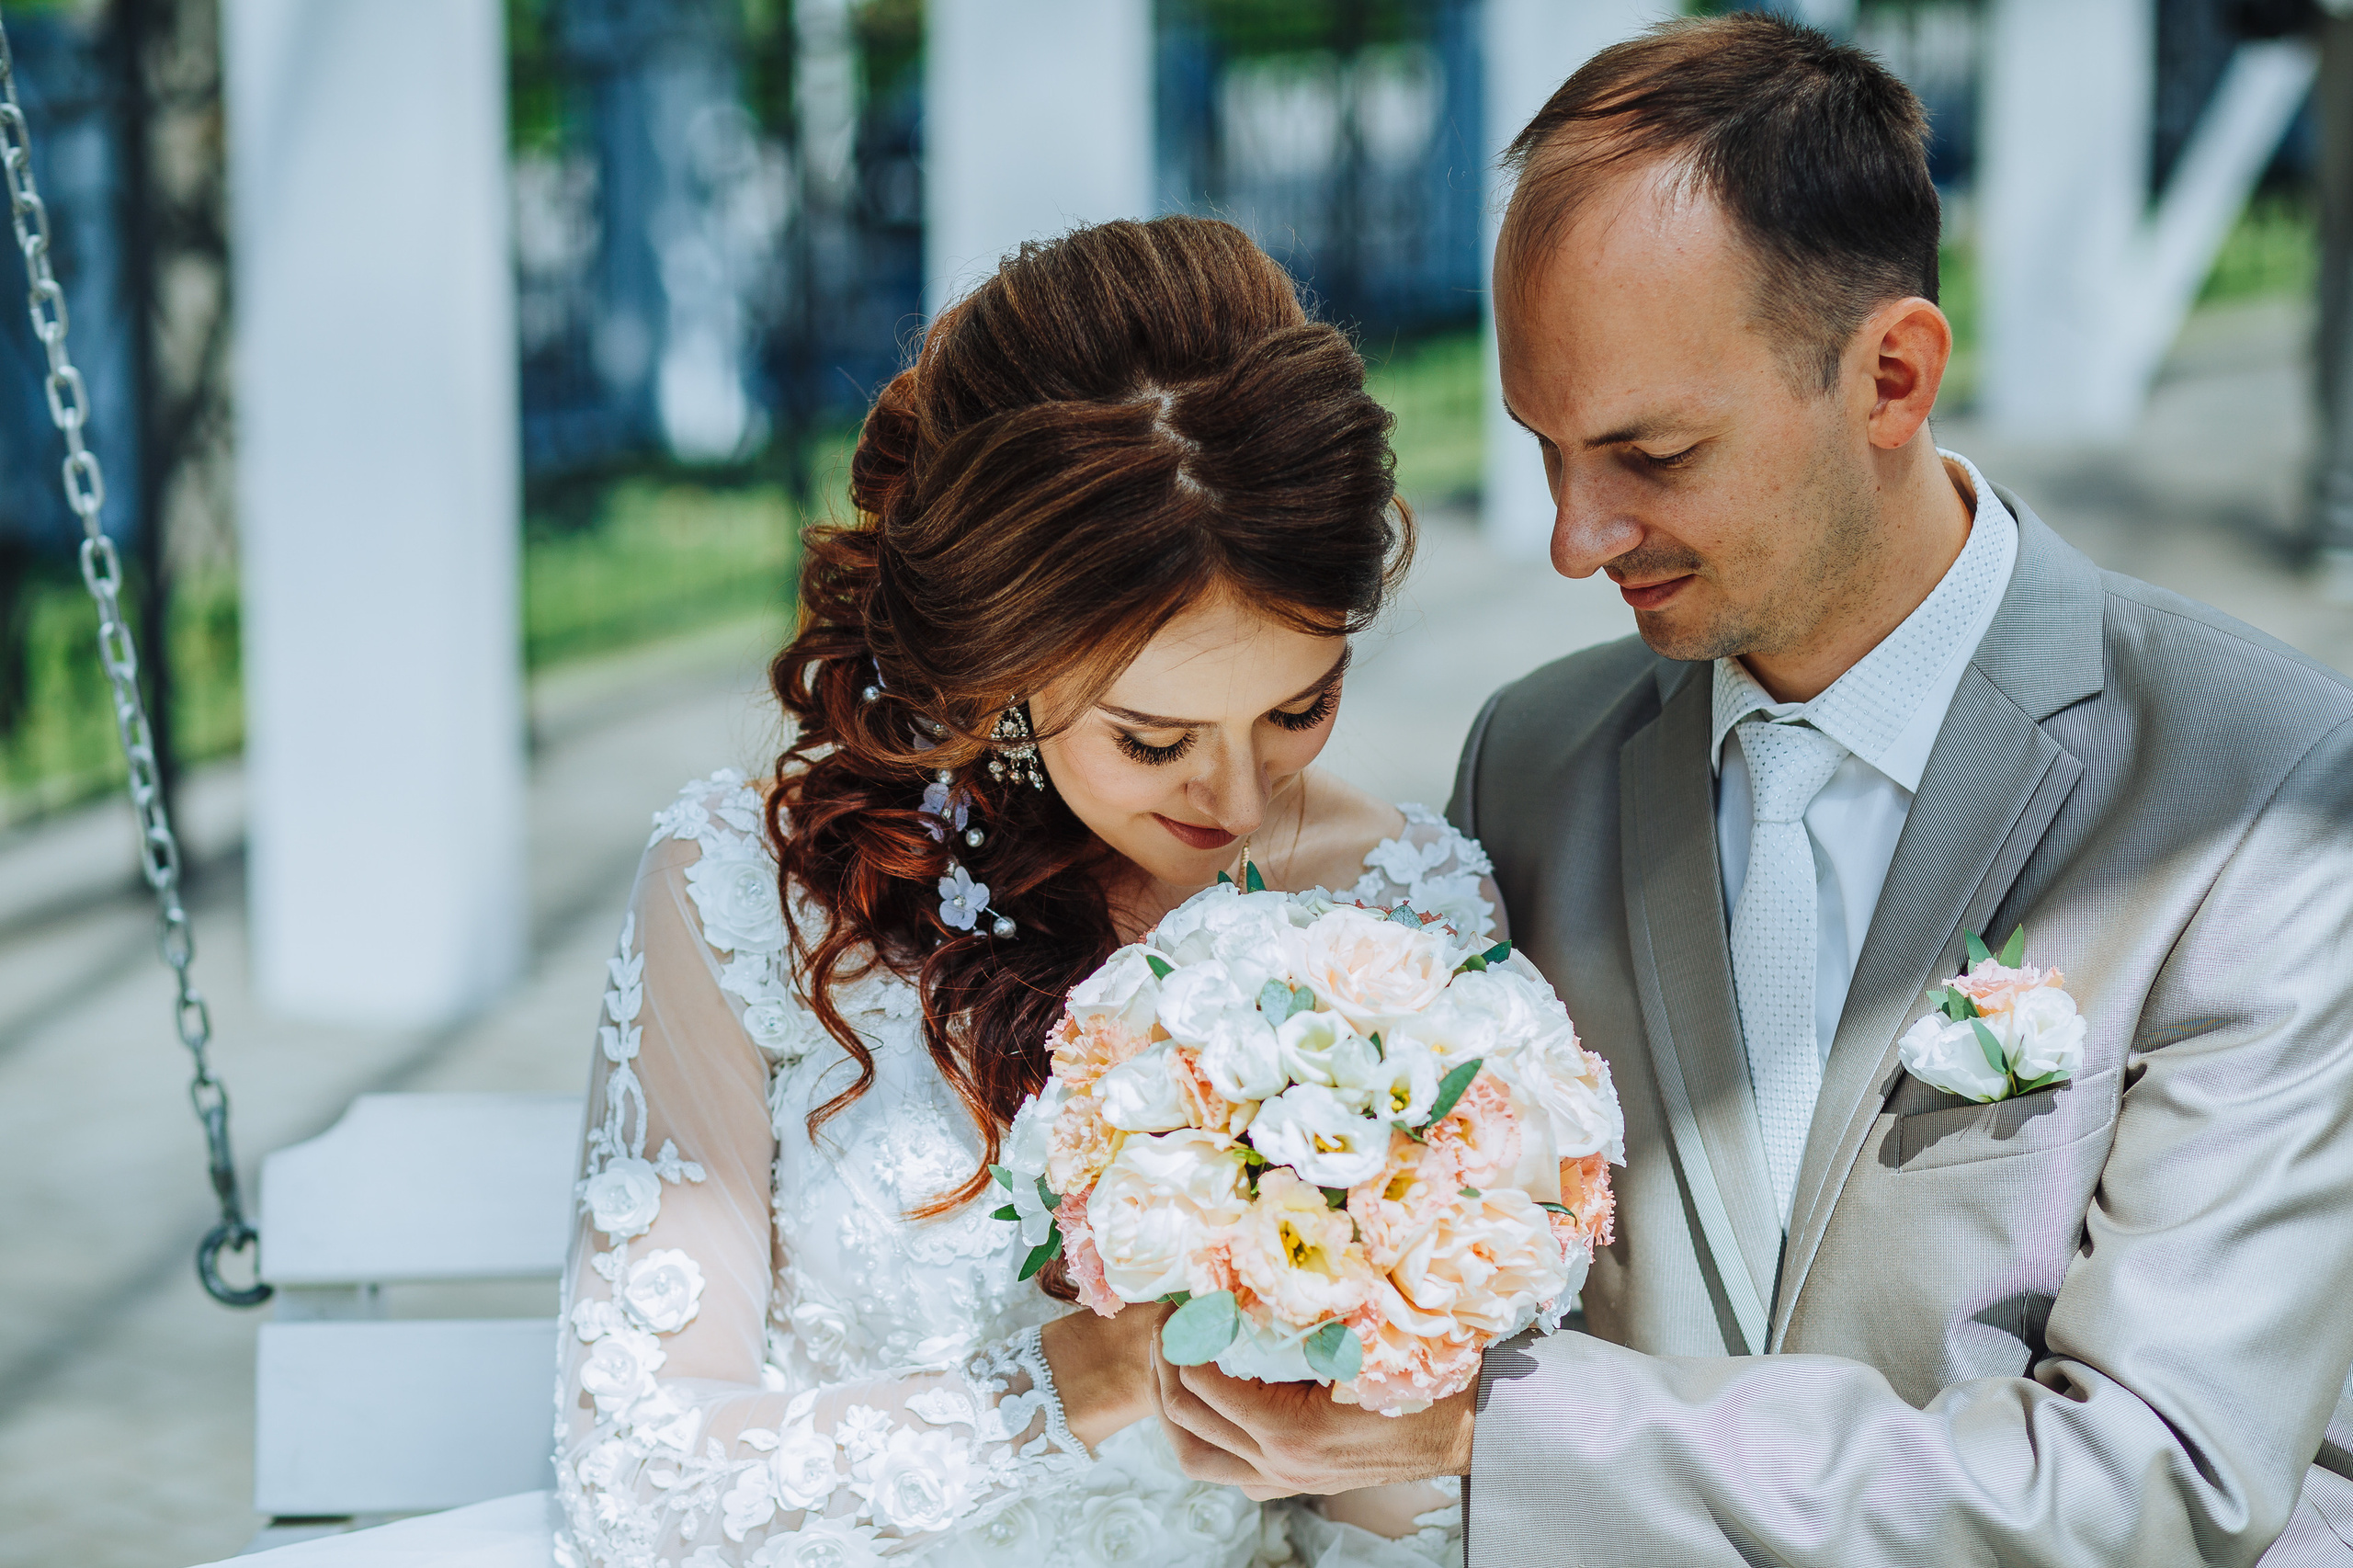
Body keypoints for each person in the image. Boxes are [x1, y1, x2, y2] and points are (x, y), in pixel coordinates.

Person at [1150, 17, 2353, 1566]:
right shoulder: (1533, 762)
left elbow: (2157, 1476)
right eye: (1544, 449)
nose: (1579, 539)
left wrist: (1496, 1428)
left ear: (1894, 376)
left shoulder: (2260, 794)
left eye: (1650, 452)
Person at [552, 215, 1491, 1568]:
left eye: (1299, 706)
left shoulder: (1407, 910)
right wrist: (1072, 1379)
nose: (1233, 797)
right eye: (1151, 740)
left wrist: (1391, 1384)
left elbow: (1413, 1522)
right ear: (1007, 673)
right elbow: (636, 1478)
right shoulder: (752, 898)